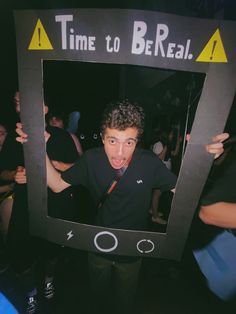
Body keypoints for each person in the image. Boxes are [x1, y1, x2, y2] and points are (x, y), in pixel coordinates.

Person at [16, 100, 228, 314]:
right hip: (97, 245)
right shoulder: (91, 159)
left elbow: (185, 194)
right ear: (102, 137)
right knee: (98, 299)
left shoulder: (148, 162)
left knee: (124, 303)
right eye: (112, 141)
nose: (119, 153)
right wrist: (38, 148)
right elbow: (57, 184)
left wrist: (204, 161)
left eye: (129, 142)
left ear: (138, 140)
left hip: (133, 250)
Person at [2, 91, 79, 314]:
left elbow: (79, 168)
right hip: (24, 206)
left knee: (51, 252)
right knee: (20, 256)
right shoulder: (13, 138)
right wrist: (13, 174)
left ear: (45, 109)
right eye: (17, 103)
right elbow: (3, 170)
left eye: (24, 102)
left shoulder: (61, 136)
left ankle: (48, 279)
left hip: (55, 204)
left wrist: (56, 166)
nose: (20, 108)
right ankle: (30, 294)